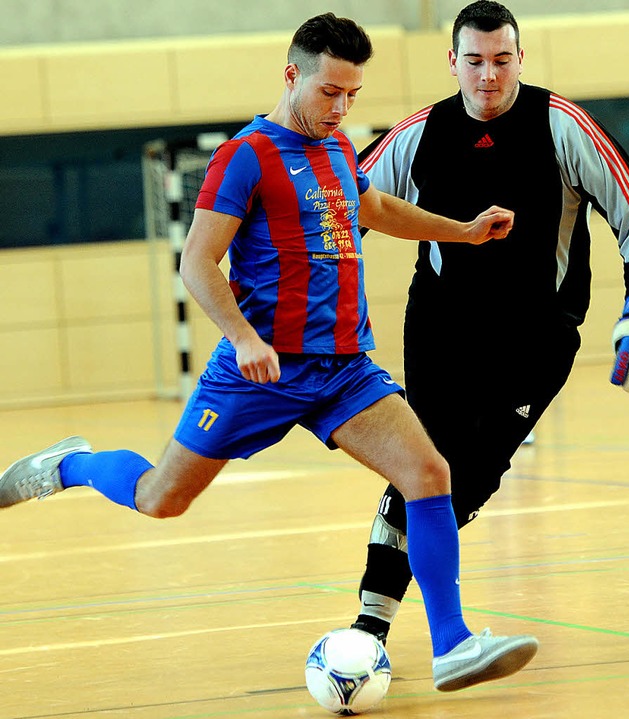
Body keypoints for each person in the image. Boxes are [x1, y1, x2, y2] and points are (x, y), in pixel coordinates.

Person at [0, 12, 537, 694]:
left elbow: (377, 209)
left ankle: (452, 642)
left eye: (352, 95)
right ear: (293, 76)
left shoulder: (339, 149)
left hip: (344, 369)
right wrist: (245, 338)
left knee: (429, 473)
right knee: (160, 498)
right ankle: (68, 465)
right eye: (329, 92)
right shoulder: (245, 155)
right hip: (259, 371)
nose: (341, 107)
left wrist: (462, 231)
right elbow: (197, 263)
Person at [350, 0, 629, 648]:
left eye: (502, 60)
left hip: (537, 338)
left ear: (520, 59)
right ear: (453, 62)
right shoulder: (420, 133)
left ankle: (400, 619)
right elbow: (338, 209)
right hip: (441, 327)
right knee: (421, 464)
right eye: (475, 61)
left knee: (469, 477)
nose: (489, 75)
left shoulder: (562, 125)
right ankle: (371, 626)